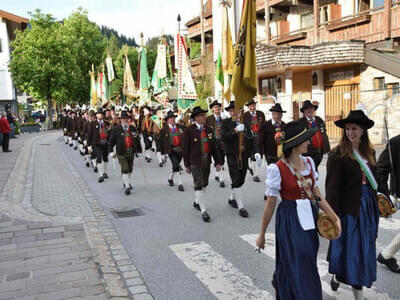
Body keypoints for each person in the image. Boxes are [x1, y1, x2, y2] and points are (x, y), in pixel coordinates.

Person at [256, 121, 340, 300]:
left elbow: (317, 196)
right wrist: (262, 233)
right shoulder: (277, 169)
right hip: (290, 219)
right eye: (305, 140)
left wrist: (334, 217)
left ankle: (286, 284)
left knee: (307, 258)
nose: (309, 143)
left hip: (309, 217)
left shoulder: (309, 162)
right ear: (295, 146)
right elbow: (270, 204)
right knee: (299, 258)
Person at [326, 110, 384, 299]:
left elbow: (377, 181)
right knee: (350, 250)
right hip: (349, 209)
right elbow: (332, 188)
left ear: (363, 131)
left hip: (367, 206)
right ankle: (351, 287)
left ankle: (340, 275)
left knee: (364, 248)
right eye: (348, 129)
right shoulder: (338, 154)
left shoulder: (370, 152)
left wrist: (384, 199)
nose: (350, 133)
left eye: (354, 129)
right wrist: (332, 216)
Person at [221, 101, 262, 218]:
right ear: (229, 112)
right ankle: (241, 207)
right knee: (235, 178)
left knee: (241, 180)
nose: (234, 112)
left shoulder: (246, 123)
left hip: (244, 155)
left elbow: (252, 138)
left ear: (240, 111)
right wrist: (234, 131)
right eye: (231, 110)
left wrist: (257, 152)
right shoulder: (226, 123)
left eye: (236, 110)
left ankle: (231, 198)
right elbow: (224, 137)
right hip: (232, 155)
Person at [183, 105, 223, 222]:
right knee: (198, 184)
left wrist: (218, 162)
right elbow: (185, 149)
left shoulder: (208, 129)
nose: (204, 117)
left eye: (204, 115)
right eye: (201, 115)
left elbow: (214, 147)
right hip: (195, 161)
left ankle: (197, 202)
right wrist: (186, 164)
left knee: (205, 183)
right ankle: (203, 210)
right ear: (195, 117)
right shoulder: (189, 131)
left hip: (207, 160)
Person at [377, 134, 400, 273]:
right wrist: (384, 195)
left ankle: (386, 255)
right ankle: (386, 255)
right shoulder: (395, 143)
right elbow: (381, 170)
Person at [108, 111, 141, 195]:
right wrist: (111, 151)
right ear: (120, 120)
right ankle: (127, 186)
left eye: (126, 119)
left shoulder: (132, 128)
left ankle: (126, 181)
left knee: (130, 169)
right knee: (125, 168)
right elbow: (111, 141)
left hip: (131, 151)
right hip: (121, 152)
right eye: (123, 119)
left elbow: (137, 140)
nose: (125, 120)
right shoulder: (116, 129)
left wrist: (139, 151)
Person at [297, 100, 330, 170]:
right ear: (304, 111)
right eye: (307, 109)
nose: (309, 110)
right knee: (310, 170)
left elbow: (323, 132)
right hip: (307, 152)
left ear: (314, 109)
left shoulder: (319, 120)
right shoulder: (300, 122)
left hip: (319, 152)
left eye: (311, 108)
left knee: (315, 169)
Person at [160, 111, 185, 192]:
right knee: (176, 165)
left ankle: (170, 178)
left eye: (173, 118)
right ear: (167, 120)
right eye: (170, 118)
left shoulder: (181, 127)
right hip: (171, 150)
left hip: (180, 150)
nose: (172, 120)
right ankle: (180, 183)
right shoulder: (164, 130)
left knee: (175, 166)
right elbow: (161, 142)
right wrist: (163, 154)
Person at [243, 99, 265, 182]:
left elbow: (263, 125)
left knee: (258, 155)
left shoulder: (261, 114)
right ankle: (253, 170)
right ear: (248, 107)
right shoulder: (245, 115)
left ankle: (254, 171)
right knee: (251, 155)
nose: (252, 107)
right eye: (250, 106)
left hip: (259, 137)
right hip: (249, 138)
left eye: (253, 106)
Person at [87, 109, 110, 183]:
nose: (99, 115)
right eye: (98, 114)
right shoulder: (93, 123)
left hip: (105, 143)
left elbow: (110, 133)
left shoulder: (106, 123)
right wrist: (88, 145)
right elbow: (89, 134)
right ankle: (100, 175)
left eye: (101, 114)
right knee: (99, 157)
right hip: (96, 144)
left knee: (105, 158)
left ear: (103, 115)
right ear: (96, 115)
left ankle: (104, 172)